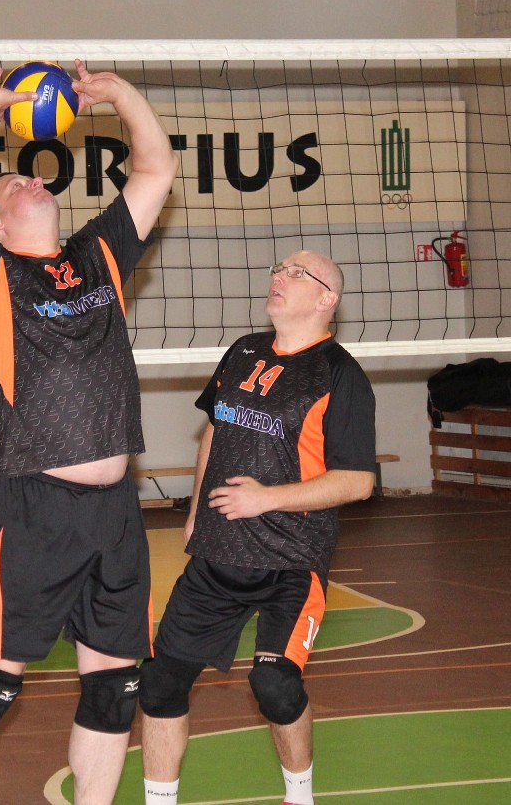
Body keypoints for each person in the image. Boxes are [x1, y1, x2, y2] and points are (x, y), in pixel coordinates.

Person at [0, 61, 178, 805]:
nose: (34, 179)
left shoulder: (98, 256)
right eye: (13, 185)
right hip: (35, 505)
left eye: (32, 177)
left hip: (114, 512)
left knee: (115, 686)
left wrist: (120, 96)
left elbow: (156, 170)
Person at [139, 252, 377, 805]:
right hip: (218, 554)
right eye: (278, 268)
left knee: (274, 685)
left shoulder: (340, 375)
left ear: (327, 299)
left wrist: (267, 499)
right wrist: (196, 512)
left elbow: (358, 481)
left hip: (291, 562)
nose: (279, 277)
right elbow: (214, 432)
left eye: (297, 273)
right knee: (160, 682)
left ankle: (299, 797)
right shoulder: (243, 350)